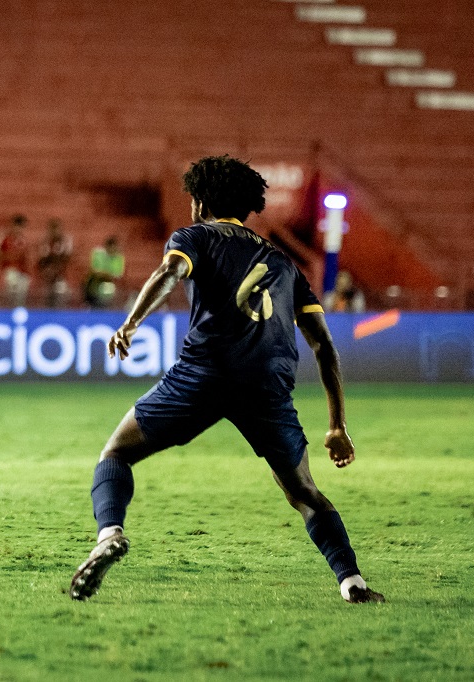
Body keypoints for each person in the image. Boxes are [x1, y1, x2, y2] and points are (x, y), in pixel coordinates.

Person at [69, 155, 384, 604]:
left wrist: (132, 322)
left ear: (199, 203)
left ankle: (109, 535)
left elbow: (169, 272)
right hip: (267, 386)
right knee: (304, 492)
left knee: (116, 452)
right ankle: (352, 583)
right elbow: (323, 347)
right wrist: (336, 425)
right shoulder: (285, 263)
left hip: (205, 373)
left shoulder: (193, 237)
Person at [0, 213, 30, 306]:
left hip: (23, 272)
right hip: (10, 270)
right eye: (18, 226)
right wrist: (9, 257)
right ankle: (10, 311)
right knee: (12, 293)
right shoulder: (6, 240)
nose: (20, 229)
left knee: (21, 298)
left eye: (22, 226)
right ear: (13, 225)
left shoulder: (23, 240)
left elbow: (26, 258)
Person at [37, 218, 73, 308]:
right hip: (47, 276)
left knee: (60, 298)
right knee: (47, 301)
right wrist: (47, 271)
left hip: (61, 276)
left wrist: (56, 269)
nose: (55, 231)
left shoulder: (65, 241)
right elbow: (42, 259)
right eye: (53, 228)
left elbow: (67, 258)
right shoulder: (45, 242)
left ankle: (59, 318)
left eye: (57, 228)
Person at [83, 235, 125, 309]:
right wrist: (107, 273)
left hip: (109, 283)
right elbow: (95, 271)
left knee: (108, 289)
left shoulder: (119, 257)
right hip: (95, 282)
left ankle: (106, 309)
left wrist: (104, 273)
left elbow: (118, 275)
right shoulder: (98, 254)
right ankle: (90, 306)